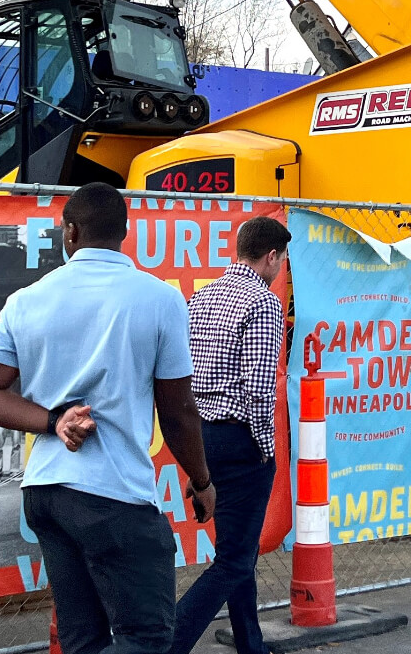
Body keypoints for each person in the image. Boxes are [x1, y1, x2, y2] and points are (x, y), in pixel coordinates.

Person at [0, 183, 216, 654]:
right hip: (114, 495)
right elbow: (177, 410)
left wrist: (52, 418)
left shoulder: (27, 299)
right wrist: (200, 480)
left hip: (47, 495)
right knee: (147, 639)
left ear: (70, 232)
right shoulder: (159, 298)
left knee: (84, 641)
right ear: (125, 233)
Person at [171, 216, 290, 654]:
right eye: (282, 261)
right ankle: (167, 644)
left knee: (237, 552)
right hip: (240, 439)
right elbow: (259, 390)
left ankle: (251, 644)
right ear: (271, 257)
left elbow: (183, 374)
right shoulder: (263, 302)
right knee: (235, 559)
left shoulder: (200, 298)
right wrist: (263, 449)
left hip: (200, 436)